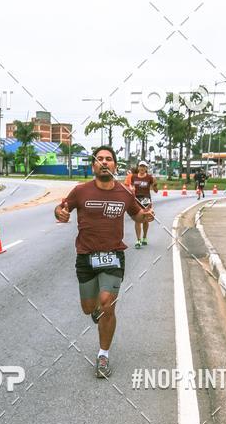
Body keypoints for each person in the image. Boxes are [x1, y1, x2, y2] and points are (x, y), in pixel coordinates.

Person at [54, 146, 154, 378]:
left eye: (108, 159)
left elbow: (136, 214)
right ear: (93, 166)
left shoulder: (124, 193)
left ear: (115, 166)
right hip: (86, 257)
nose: (104, 162)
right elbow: (62, 208)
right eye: (99, 159)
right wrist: (60, 212)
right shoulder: (81, 191)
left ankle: (103, 355)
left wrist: (145, 215)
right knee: (89, 308)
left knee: (107, 303)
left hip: (113, 256)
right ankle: (96, 310)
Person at [130, 160, 158, 247]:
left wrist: (154, 185)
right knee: (137, 219)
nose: (142, 168)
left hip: (146, 200)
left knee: (145, 219)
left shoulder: (149, 177)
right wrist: (132, 188)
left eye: (144, 166)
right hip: (136, 199)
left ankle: (144, 237)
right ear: (138, 167)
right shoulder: (133, 177)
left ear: (146, 168)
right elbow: (131, 186)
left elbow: (156, 191)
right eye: (140, 166)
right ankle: (138, 240)